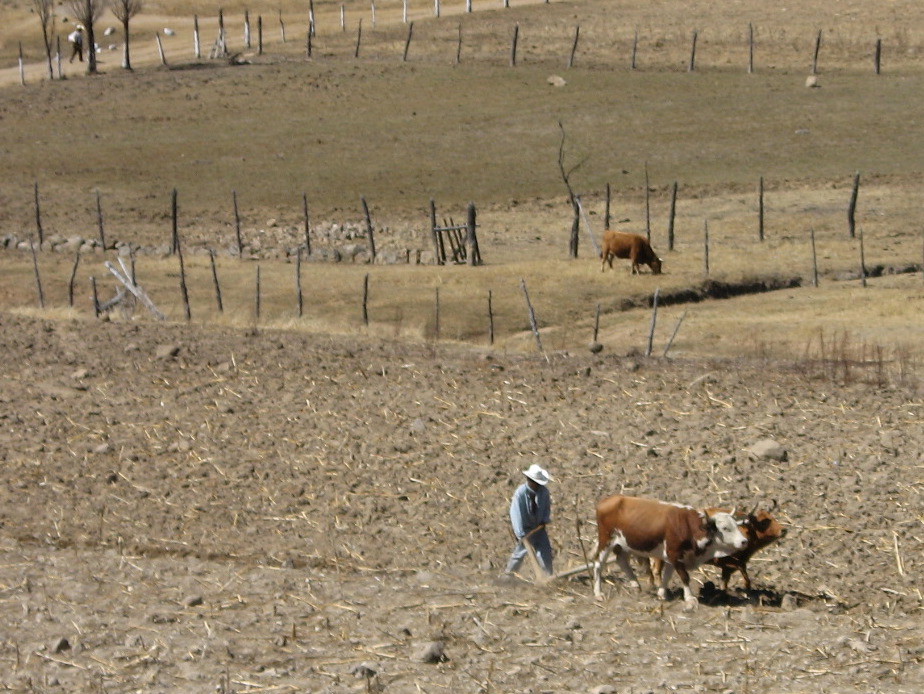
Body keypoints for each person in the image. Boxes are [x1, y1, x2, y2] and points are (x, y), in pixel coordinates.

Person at [504, 464, 554, 576]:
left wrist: (544, 520)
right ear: (529, 480)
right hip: (526, 530)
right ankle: (508, 576)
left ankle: (548, 576)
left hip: (539, 528)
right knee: (520, 553)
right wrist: (520, 534)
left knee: (545, 553)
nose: (536, 485)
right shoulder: (520, 494)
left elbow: (546, 507)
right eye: (535, 482)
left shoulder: (544, 492)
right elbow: (515, 513)